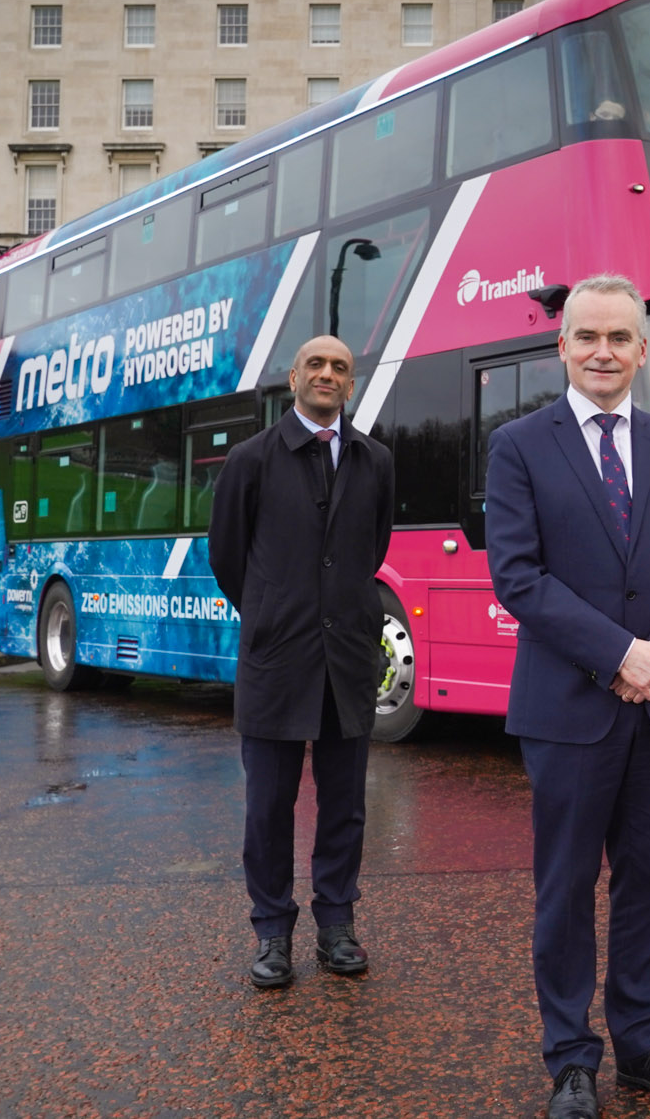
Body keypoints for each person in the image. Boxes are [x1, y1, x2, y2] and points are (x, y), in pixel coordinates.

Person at [485, 274, 650, 1119]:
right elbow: (519, 577)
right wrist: (619, 653)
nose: (602, 351)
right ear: (561, 345)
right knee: (564, 889)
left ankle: (641, 1044)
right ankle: (570, 1060)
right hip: (569, 708)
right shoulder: (519, 445)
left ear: (641, 350)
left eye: (619, 338)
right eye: (586, 335)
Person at [208, 335, 395, 990]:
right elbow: (228, 558)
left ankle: (337, 923)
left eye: (340, 367)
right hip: (277, 660)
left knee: (345, 805)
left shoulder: (375, 459)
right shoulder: (250, 460)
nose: (327, 374)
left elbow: (372, 549)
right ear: (293, 378)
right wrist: (269, 612)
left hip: (346, 657)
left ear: (351, 384)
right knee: (269, 807)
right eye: (315, 364)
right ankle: (271, 931)